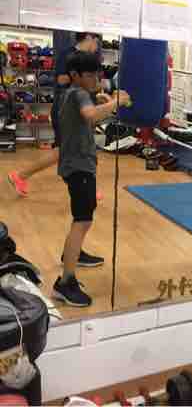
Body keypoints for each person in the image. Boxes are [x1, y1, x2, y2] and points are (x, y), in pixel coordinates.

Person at [52, 51, 130, 307]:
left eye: (97, 75)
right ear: (75, 75)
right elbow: (90, 115)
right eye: (90, 75)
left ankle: (73, 253)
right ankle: (65, 283)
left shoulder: (69, 94)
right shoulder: (79, 94)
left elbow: (89, 116)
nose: (95, 79)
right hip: (78, 167)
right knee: (82, 220)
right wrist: (116, 101)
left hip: (76, 164)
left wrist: (105, 104)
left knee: (83, 217)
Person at [8, 32, 100, 197]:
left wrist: (95, 92)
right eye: (96, 41)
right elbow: (60, 80)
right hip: (65, 109)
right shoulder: (68, 54)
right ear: (88, 37)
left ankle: (87, 185)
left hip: (78, 109)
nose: (97, 46)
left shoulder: (86, 59)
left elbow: (89, 86)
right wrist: (80, 77)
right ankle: (20, 175)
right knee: (63, 150)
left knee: (78, 148)